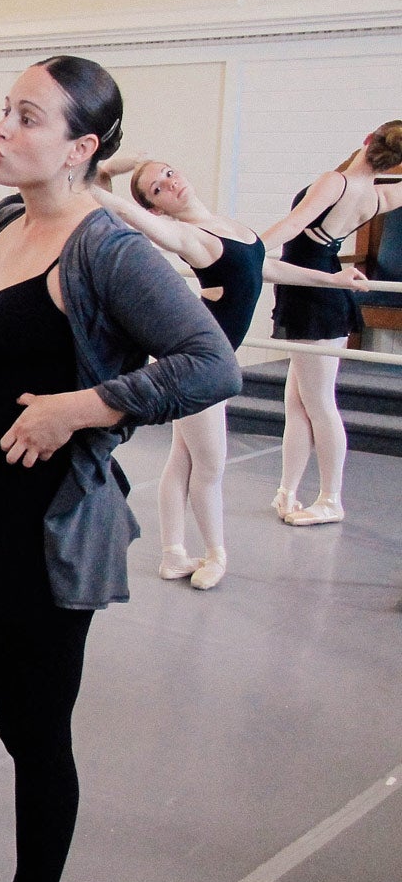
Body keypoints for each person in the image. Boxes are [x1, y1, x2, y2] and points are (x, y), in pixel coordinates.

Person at [0, 56, 240, 882]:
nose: (1, 129)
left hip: (40, 539)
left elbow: (210, 364)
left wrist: (80, 407)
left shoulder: (107, 249)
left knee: (34, 733)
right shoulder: (7, 220)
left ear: (82, 148)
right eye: (4, 111)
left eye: (28, 118)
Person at [92, 154, 368, 588]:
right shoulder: (186, 235)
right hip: (193, 365)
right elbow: (132, 216)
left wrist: (333, 280)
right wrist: (82, 179)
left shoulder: (228, 227)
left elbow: (264, 266)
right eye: (157, 189)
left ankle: (173, 554)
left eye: (168, 172)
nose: (170, 182)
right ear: (157, 208)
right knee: (210, 465)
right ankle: (215, 555)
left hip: (203, 360)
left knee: (183, 459)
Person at [259, 121, 402, 526]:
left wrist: (242, 251)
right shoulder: (378, 196)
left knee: (319, 403)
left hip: (315, 293)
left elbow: (291, 226)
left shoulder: (335, 181)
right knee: (298, 402)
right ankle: (287, 490)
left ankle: (331, 499)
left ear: (367, 139)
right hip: (313, 287)